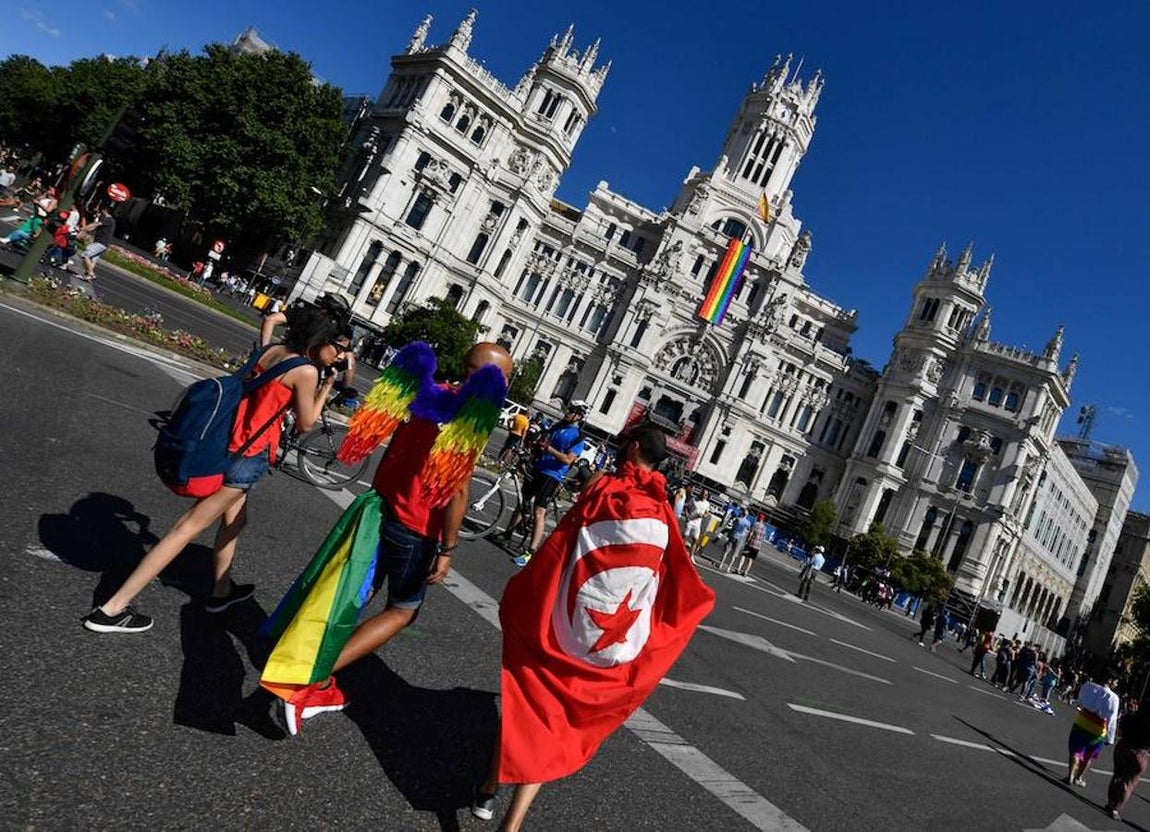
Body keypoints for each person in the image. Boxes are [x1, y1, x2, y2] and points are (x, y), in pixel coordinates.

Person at [472, 424, 715, 830]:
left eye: (623, 443)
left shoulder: (603, 488)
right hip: (604, 644)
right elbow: (671, 577)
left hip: (563, 623)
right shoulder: (661, 511)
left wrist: (526, 591)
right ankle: (511, 823)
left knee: (528, 703)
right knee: (555, 722)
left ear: (632, 447)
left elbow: (563, 544)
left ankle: (487, 787)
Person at [266, 342, 514, 734]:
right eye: (506, 377)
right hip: (415, 528)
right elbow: (458, 491)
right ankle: (306, 676)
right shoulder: (472, 417)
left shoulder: (431, 394)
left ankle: (301, 653)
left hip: (382, 506)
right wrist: (447, 548)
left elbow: (396, 445)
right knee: (403, 610)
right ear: (493, 379)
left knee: (357, 590)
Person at [81, 305, 350, 633]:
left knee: (236, 521)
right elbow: (306, 424)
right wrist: (325, 386)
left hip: (228, 441)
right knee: (186, 528)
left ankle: (221, 591)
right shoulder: (306, 371)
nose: (339, 354)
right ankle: (111, 610)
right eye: (336, 346)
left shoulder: (273, 350)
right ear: (319, 338)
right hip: (247, 455)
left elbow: (273, 320)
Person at [499, 401, 587, 566]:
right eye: (568, 409)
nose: (567, 412)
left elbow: (568, 459)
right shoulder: (557, 427)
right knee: (522, 503)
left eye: (571, 411)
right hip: (538, 468)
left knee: (539, 512)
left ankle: (530, 552)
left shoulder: (578, 437)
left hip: (552, 475)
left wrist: (549, 449)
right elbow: (541, 443)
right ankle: (506, 535)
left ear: (579, 415)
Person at [1066, 667, 1120, 788]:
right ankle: (1078, 777)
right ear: (1110, 680)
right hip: (1098, 728)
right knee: (1088, 755)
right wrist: (1110, 738)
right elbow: (1112, 719)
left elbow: (1079, 701)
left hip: (1082, 721)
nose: (1116, 684)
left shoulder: (1087, 686)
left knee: (1075, 750)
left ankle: (1070, 775)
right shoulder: (1113, 697)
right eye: (1116, 681)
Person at [1106, 701, 1150, 820]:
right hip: (1141, 753)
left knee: (1117, 775)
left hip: (1123, 747)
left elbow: (1120, 732)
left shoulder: (1130, 717)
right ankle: (1116, 808)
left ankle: (1110, 802)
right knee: (1129, 782)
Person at [79, 206, 115, 281]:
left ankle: (91, 274)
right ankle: (88, 275)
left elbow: (95, 225)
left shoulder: (109, 220)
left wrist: (83, 228)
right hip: (101, 243)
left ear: (105, 210)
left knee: (86, 255)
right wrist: (85, 230)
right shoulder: (106, 220)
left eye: (101, 211)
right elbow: (93, 227)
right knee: (92, 260)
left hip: (101, 243)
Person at [682, 490, 711, 561]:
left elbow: (707, 513)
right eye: (704, 494)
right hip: (690, 521)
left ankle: (691, 556)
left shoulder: (707, 503)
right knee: (684, 536)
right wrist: (687, 516)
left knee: (695, 540)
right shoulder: (694, 499)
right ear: (701, 493)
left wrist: (704, 515)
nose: (705, 496)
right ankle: (678, 550)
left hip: (698, 523)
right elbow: (686, 507)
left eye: (706, 495)